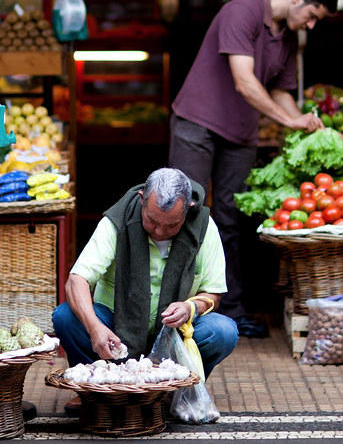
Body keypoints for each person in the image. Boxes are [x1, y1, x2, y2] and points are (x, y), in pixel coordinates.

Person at [169, 0, 337, 338]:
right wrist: (288, 121)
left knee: (230, 219)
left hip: (240, 135)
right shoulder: (242, 11)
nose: (310, 24)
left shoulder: (288, 39)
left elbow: (281, 92)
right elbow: (245, 82)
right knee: (186, 211)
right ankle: (171, 310)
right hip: (197, 123)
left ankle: (230, 310)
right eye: (311, 15)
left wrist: (302, 120)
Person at [52, 168, 239, 412]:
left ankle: (175, 389)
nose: (159, 231)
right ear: (142, 199)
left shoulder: (204, 227)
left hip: (174, 334)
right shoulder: (116, 221)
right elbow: (76, 280)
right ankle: (92, 389)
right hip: (115, 330)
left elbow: (213, 293)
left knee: (223, 331)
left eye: (171, 225)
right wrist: (95, 328)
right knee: (66, 317)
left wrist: (190, 307)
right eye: (151, 220)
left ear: (189, 208)